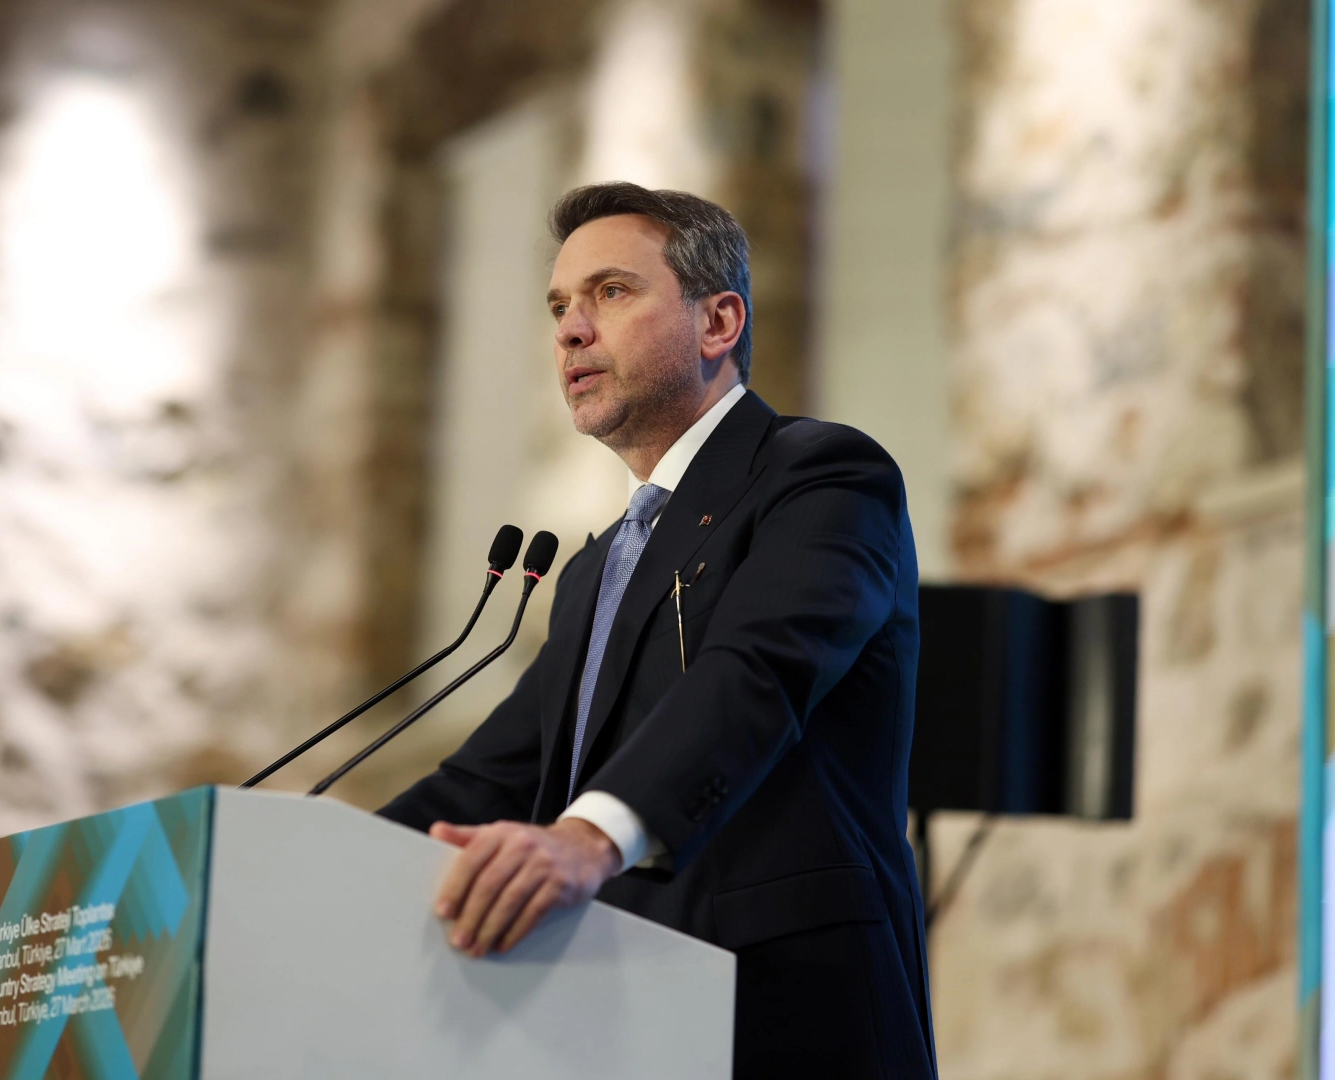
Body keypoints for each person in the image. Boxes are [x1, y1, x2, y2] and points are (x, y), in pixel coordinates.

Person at [379, 181, 935, 1079]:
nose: (570, 330)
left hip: (784, 1011)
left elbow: (756, 672)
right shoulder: (597, 567)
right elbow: (491, 777)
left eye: (610, 292)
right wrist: (298, 865)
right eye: (559, 306)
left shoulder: (823, 476)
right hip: (616, 1024)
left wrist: (587, 838)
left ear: (718, 322)